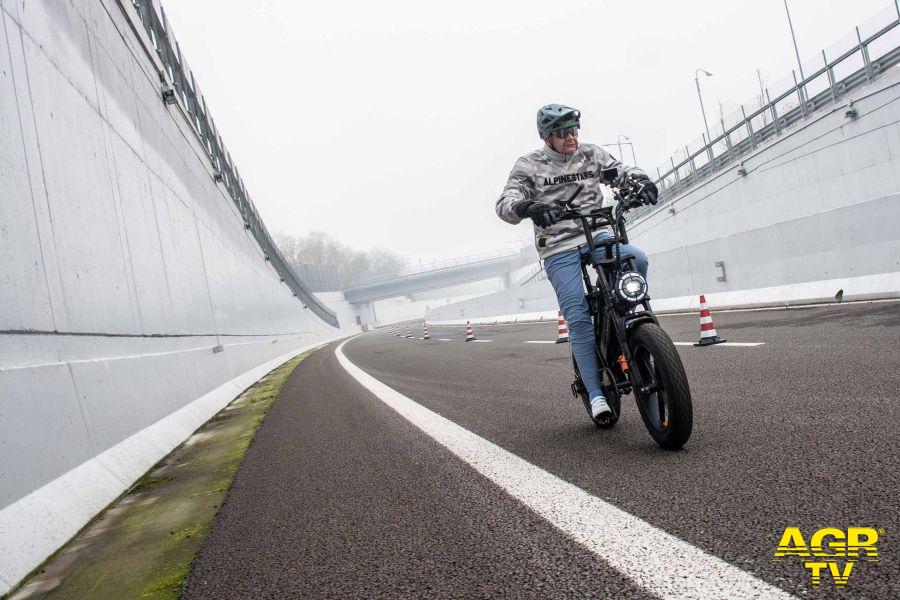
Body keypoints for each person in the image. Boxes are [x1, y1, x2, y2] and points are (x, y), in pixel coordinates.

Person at [495, 104, 658, 419]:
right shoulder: (529, 165)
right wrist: (529, 207)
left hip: (596, 233)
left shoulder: (592, 155)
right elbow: (505, 203)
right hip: (558, 245)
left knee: (637, 259)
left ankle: (620, 319)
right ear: (546, 137)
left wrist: (641, 181)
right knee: (578, 315)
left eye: (573, 129)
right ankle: (596, 393)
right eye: (561, 132)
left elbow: (621, 173)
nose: (570, 137)